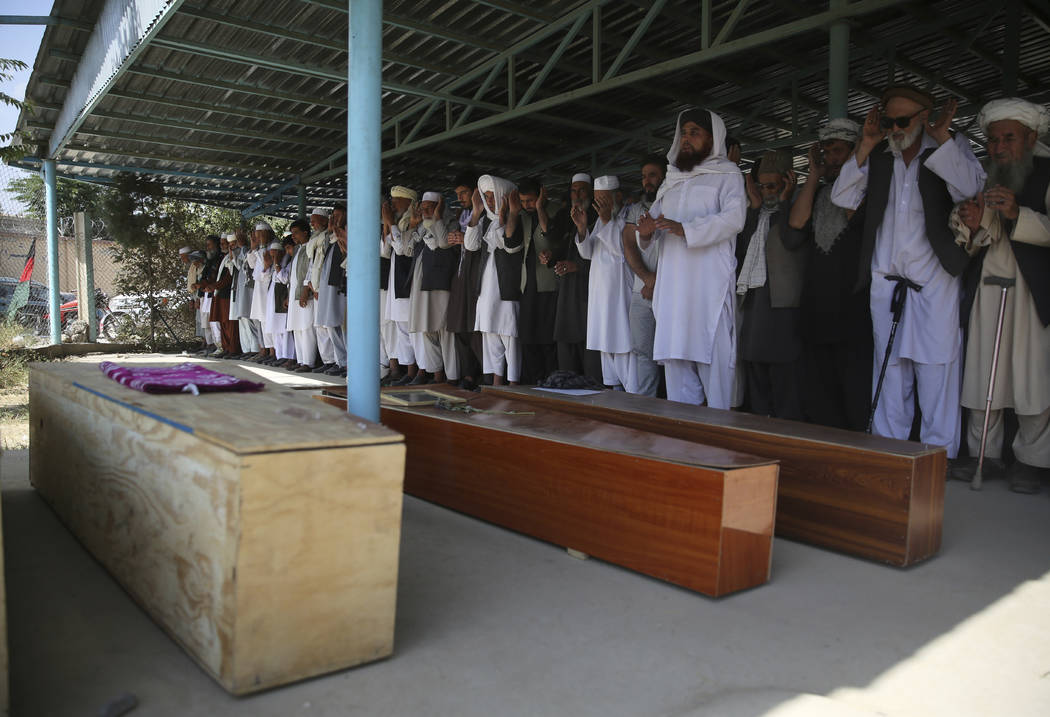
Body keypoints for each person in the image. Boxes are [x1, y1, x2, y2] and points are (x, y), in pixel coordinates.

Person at [831, 84, 985, 457]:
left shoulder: (949, 149)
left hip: (934, 282)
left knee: (935, 369)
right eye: (889, 121)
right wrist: (865, 144)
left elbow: (972, 187)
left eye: (901, 120)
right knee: (889, 369)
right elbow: (843, 197)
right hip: (886, 282)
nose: (894, 128)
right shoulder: (881, 156)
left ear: (922, 117)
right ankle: (889, 452)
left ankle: (939, 457)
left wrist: (942, 138)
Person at [949, 98, 1050, 493]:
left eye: (1008, 138)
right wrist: (972, 225)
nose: (998, 147)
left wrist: (1016, 215)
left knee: (1030, 376)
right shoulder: (985, 176)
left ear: (1030, 137)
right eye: (992, 139)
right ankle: (982, 453)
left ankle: (1031, 460)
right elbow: (974, 240)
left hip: (1031, 290)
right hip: (988, 285)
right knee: (981, 372)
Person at [637, 108, 747, 409]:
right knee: (678, 374)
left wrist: (686, 229)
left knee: (716, 374)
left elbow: (735, 219)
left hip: (707, 289)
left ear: (712, 139)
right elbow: (653, 227)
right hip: (674, 293)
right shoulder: (672, 179)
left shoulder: (727, 174)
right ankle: (682, 447)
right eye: (684, 132)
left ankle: (720, 446)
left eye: (694, 133)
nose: (686, 139)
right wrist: (645, 233)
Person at [784, 118, 872, 431]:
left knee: (851, 375)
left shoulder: (868, 188)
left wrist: (850, 172)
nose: (832, 157)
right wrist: (814, 175)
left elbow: (855, 215)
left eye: (838, 151)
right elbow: (796, 223)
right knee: (818, 376)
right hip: (818, 299)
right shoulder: (819, 192)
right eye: (827, 151)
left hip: (852, 299)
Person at [736, 150, 805, 420]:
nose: (766, 193)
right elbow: (743, 251)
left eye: (772, 186)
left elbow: (790, 239)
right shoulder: (757, 214)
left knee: (784, 380)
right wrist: (754, 208)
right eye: (762, 186)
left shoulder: (797, 209)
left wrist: (787, 201)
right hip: (755, 307)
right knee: (755, 370)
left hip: (782, 309)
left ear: (787, 182)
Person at [464, 174, 524, 385]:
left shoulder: (517, 218)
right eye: (486, 196)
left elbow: (510, 245)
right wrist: (476, 211)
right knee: (489, 332)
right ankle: (497, 382)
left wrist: (506, 217)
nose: (489, 201)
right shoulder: (486, 221)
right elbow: (470, 245)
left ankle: (514, 381)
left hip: (506, 287)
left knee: (509, 334)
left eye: (492, 196)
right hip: (486, 289)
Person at [575, 175, 634, 390]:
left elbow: (622, 251)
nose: (599, 205)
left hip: (620, 296)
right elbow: (588, 253)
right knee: (606, 349)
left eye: (603, 199)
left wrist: (608, 220)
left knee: (623, 347)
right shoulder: (601, 220)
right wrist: (582, 229)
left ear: (617, 196)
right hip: (600, 298)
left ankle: (632, 405)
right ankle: (615, 396)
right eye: (596, 200)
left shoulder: (628, 216)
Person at [547, 173, 602, 381]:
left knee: (589, 349)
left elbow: (603, 259)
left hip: (589, 293)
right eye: (573, 191)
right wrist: (553, 258)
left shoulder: (598, 218)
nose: (577, 195)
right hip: (567, 293)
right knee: (566, 355)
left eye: (582, 190)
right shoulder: (568, 216)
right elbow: (562, 248)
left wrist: (577, 267)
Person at [621, 155, 666, 396]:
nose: (647, 181)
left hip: (670, 292)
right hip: (641, 292)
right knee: (642, 351)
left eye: (652, 175)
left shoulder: (674, 205)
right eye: (644, 176)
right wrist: (647, 278)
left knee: (672, 353)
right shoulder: (636, 209)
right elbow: (628, 245)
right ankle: (646, 407)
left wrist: (658, 282)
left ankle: (675, 408)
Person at [407, 191, 458, 384]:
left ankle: (452, 376)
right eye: (424, 207)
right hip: (422, 283)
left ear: (440, 206)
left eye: (430, 207)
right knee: (427, 329)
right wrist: (412, 225)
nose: (425, 210)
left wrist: (437, 218)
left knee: (445, 330)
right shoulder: (420, 225)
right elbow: (406, 248)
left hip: (441, 283)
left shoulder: (450, 222)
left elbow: (444, 243)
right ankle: (436, 374)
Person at [516, 177, 559, 384]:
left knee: (546, 334)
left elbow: (550, 235)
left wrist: (541, 207)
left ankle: (551, 377)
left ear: (542, 195)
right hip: (527, 282)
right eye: (523, 201)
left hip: (548, 282)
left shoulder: (556, 210)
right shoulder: (522, 216)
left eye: (531, 200)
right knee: (527, 333)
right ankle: (534, 379)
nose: (527, 205)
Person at [445, 171, 485, 388]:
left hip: (477, 276)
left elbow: (478, 245)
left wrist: (465, 239)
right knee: (459, 326)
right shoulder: (460, 216)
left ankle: (482, 374)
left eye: (464, 193)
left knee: (474, 327)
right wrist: (455, 239)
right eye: (458, 194)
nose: (460, 197)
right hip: (460, 275)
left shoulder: (486, 215)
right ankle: (468, 374)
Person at [382, 186, 420, 384]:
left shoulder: (413, 220)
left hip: (410, 280)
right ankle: (408, 372)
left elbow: (404, 248)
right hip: (397, 279)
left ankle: (414, 373)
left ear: (409, 202)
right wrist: (388, 224)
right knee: (401, 329)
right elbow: (386, 250)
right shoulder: (398, 222)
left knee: (410, 328)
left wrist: (390, 223)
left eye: (397, 200)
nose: (393, 204)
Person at [286, 219, 319, 372]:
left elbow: (311, 270)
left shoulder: (310, 247)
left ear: (306, 232)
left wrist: (306, 290)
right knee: (297, 328)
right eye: (292, 234)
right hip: (294, 295)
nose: (293, 236)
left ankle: (309, 362)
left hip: (305, 295)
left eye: (296, 233)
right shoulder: (298, 249)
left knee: (306, 328)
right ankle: (301, 360)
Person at [248, 222, 276, 363]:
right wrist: (253, 247)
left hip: (268, 289)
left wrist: (262, 247)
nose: (258, 238)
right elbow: (252, 265)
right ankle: (266, 350)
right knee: (262, 321)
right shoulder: (260, 248)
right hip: (260, 290)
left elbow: (268, 270)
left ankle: (273, 352)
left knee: (269, 320)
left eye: (260, 235)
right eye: (257, 236)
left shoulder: (273, 247)